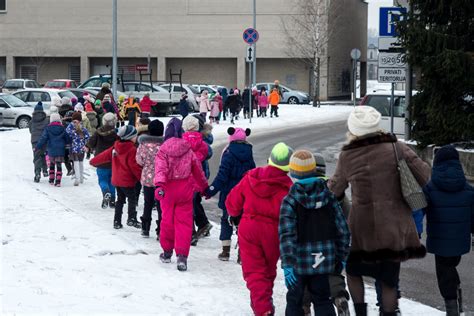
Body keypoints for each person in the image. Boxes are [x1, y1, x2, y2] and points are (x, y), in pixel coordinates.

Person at [328, 106, 431, 316]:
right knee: (388, 280)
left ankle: (360, 312)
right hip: (393, 227)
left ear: (354, 130)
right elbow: (425, 176)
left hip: (362, 228)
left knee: (354, 272)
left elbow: (335, 190)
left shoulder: (347, 156)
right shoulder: (397, 148)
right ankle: (389, 313)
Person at [279, 150, 351, 316]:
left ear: (293, 173)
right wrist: (341, 257)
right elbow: (343, 231)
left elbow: (286, 236)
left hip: (298, 264)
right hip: (323, 263)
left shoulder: (289, 201)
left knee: (295, 301)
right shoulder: (330, 197)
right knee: (323, 300)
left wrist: (287, 264)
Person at [226, 142, 294, 316]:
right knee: (268, 270)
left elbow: (232, 202)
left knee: (255, 271)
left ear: (270, 160)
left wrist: (234, 215)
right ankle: (264, 301)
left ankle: (262, 307)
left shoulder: (252, 177)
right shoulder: (289, 187)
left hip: (249, 228)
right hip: (274, 232)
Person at [423, 145, 474, 316]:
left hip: (439, 242)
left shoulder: (429, 189)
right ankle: (456, 296)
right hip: (460, 243)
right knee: (451, 267)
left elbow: (419, 209)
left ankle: (452, 310)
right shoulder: (469, 190)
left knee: (444, 276)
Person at [154, 124, 208, 272]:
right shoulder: (188, 150)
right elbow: (198, 170)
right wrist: (204, 187)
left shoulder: (163, 151)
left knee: (167, 221)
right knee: (184, 223)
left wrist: (159, 185)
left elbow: (160, 169)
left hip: (168, 190)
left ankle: (166, 252)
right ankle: (182, 256)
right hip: (185, 189)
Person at [206, 127, 255, 261]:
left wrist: (211, 190)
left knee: (226, 220)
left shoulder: (228, 153)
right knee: (242, 222)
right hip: (245, 194)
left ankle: (225, 251)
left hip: (229, 194)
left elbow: (222, 176)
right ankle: (242, 253)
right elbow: (253, 173)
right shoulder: (249, 153)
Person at [90, 125, 142, 229]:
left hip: (117, 180)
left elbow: (104, 155)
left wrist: (93, 161)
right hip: (127, 180)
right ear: (129, 137)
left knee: (120, 200)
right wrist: (142, 178)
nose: (136, 138)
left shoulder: (116, 147)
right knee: (132, 199)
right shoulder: (132, 149)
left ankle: (117, 221)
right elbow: (134, 166)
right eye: (135, 136)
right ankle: (131, 218)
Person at [181, 116, 213, 243]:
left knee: (189, 204)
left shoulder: (183, 141)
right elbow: (208, 153)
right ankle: (203, 224)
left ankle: (193, 233)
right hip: (201, 176)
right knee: (195, 202)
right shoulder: (203, 142)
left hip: (188, 177)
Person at [136, 119, 164, 238]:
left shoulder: (143, 145)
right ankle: (161, 229)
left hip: (147, 178)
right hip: (161, 179)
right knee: (160, 205)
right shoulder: (164, 145)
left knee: (148, 203)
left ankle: (145, 228)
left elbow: (139, 161)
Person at [86, 113, 118, 209]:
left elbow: (91, 142)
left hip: (101, 160)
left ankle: (105, 192)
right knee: (113, 181)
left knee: (103, 180)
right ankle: (112, 200)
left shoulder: (98, 132)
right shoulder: (116, 132)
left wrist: (87, 147)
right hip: (113, 159)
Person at [35, 113, 70, 187]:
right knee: (59, 165)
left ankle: (51, 179)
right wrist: (68, 143)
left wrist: (38, 146)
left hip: (51, 149)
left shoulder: (48, 128)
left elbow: (43, 138)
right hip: (60, 149)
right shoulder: (62, 128)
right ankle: (58, 181)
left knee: (52, 164)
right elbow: (67, 138)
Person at [66, 112, 90, 186]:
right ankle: (80, 178)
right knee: (80, 162)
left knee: (76, 162)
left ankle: (77, 178)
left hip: (74, 148)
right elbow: (87, 136)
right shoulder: (82, 127)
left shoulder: (70, 126)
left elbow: (67, 134)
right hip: (81, 148)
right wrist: (84, 143)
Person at [29, 102, 49, 182]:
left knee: (37, 157)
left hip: (35, 141)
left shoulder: (31, 121)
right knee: (43, 155)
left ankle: (37, 173)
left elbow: (31, 131)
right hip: (44, 141)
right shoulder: (46, 120)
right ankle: (45, 170)